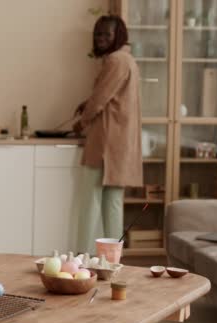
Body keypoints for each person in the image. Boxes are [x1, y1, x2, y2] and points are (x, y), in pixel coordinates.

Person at [73, 15, 143, 254]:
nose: (101, 39)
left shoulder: (115, 60)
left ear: (118, 36)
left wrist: (81, 123)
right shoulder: (127, 59)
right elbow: (111, 96)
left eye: (106, 34)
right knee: (112, 203)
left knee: (90, 202)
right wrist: (87, 103)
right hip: (119, 144)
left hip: (106, 141)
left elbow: (101, 100)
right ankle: (112, 261)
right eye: (98, 34)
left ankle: (81, 259)